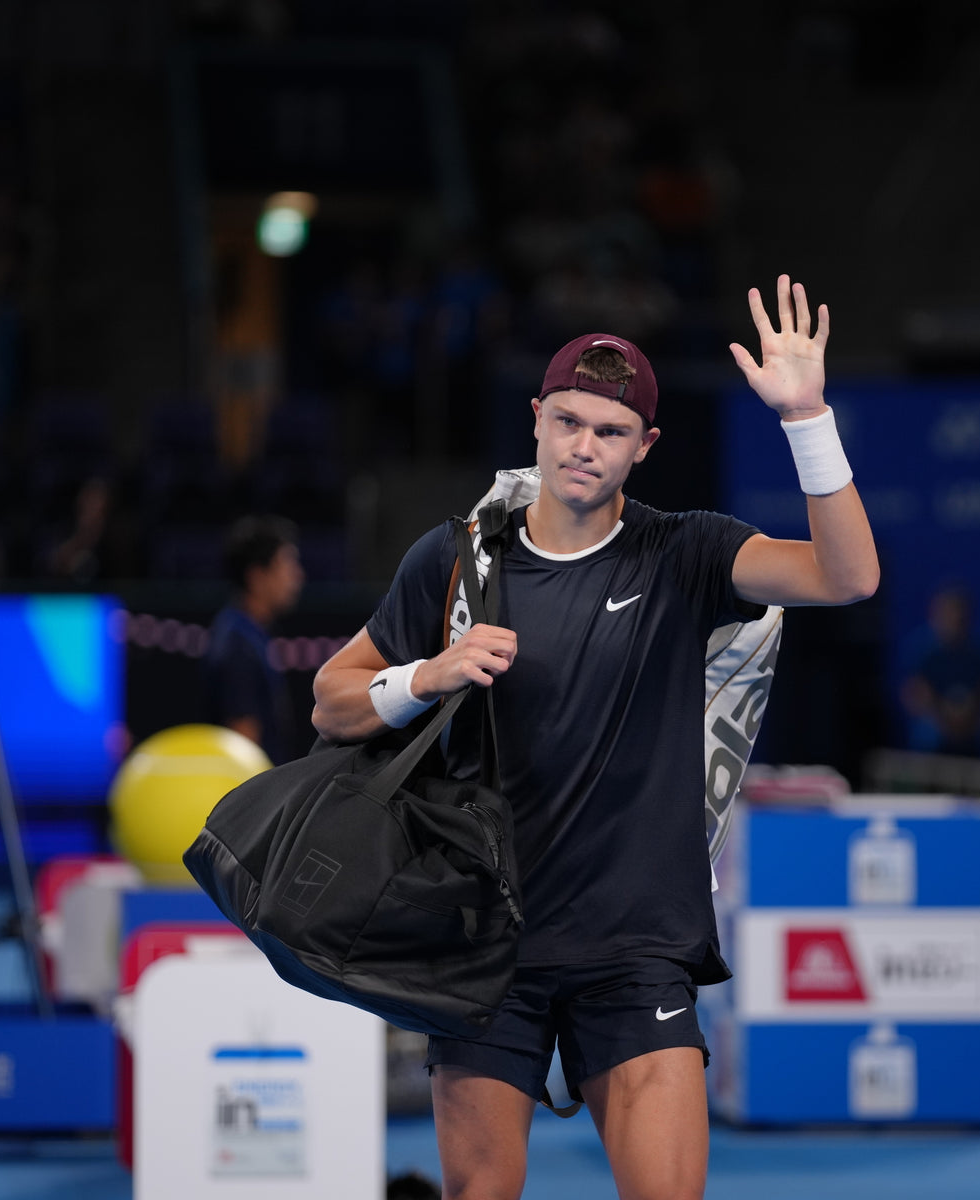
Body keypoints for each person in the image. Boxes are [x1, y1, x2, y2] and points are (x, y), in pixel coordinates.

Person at [311, 276, 879, 1200]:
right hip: (484, 942)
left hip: (636, 950)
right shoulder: (453, 559)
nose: (584, 446)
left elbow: (847, 577)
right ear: (536, 419)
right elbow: (331, 704)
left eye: (611, 432)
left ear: (644, 446)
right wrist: (427, 675)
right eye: (568, 422)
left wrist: (806, 418)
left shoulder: (687, 552)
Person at [204, 514, 305, 765]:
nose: (298, 576)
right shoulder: (237, 644)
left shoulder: (250, 634)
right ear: (257, 576)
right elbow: (244, 745)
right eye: (287, 566)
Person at [898, 582, 980, 757]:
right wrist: (943, 717)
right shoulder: (923, 654)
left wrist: (966, 719)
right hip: (937, 725)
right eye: (946, 613)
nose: (952, 618)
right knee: (926, 732)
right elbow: (914, 696)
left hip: (970, 726)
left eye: (957, 613)